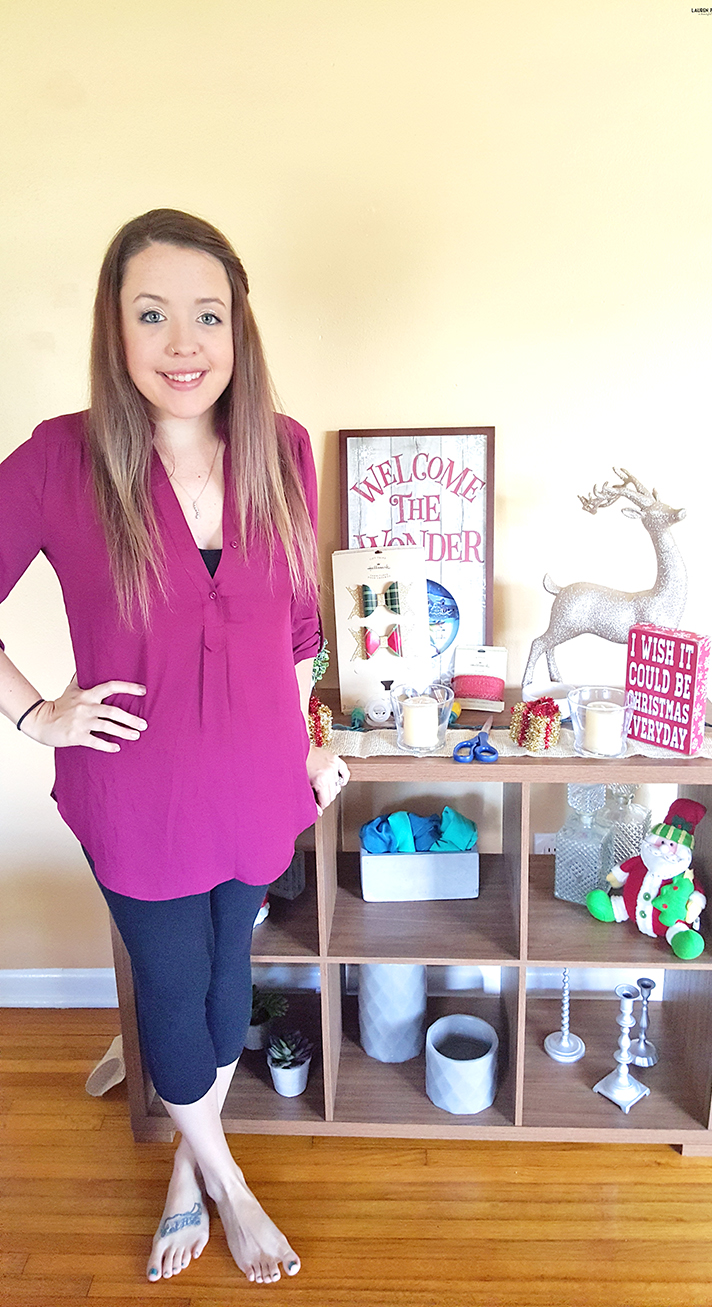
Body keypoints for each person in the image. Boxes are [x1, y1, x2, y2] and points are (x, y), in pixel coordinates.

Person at [0, 209, 350, 1285]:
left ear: (239, 327)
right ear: (115, 329)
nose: (183, 342)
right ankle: (229, 1187)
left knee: (227, 984)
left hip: (259, 787)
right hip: (136, 798)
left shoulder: (283, 447)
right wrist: (36, 712)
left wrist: (310, 743)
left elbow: (299, 630)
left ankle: (189, 1165)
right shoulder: (59, 458)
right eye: (152, 314)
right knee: (172, 992)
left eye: (208, 314)